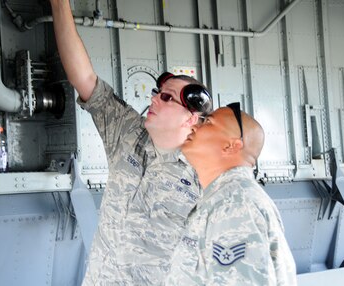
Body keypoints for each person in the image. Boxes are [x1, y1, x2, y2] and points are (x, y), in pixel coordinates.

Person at [49, 1, 213, 285]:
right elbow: (84, 78)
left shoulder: (206, 176)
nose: (153, 98)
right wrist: (59, 3)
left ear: (190, 119)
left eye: (166, 97)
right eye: (156, 92)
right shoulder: (128, 133)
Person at [165, 103, 297, 285]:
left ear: (231, 146)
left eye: (207, 122)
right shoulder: (225, 198)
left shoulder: (234, 204)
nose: (194, 125)